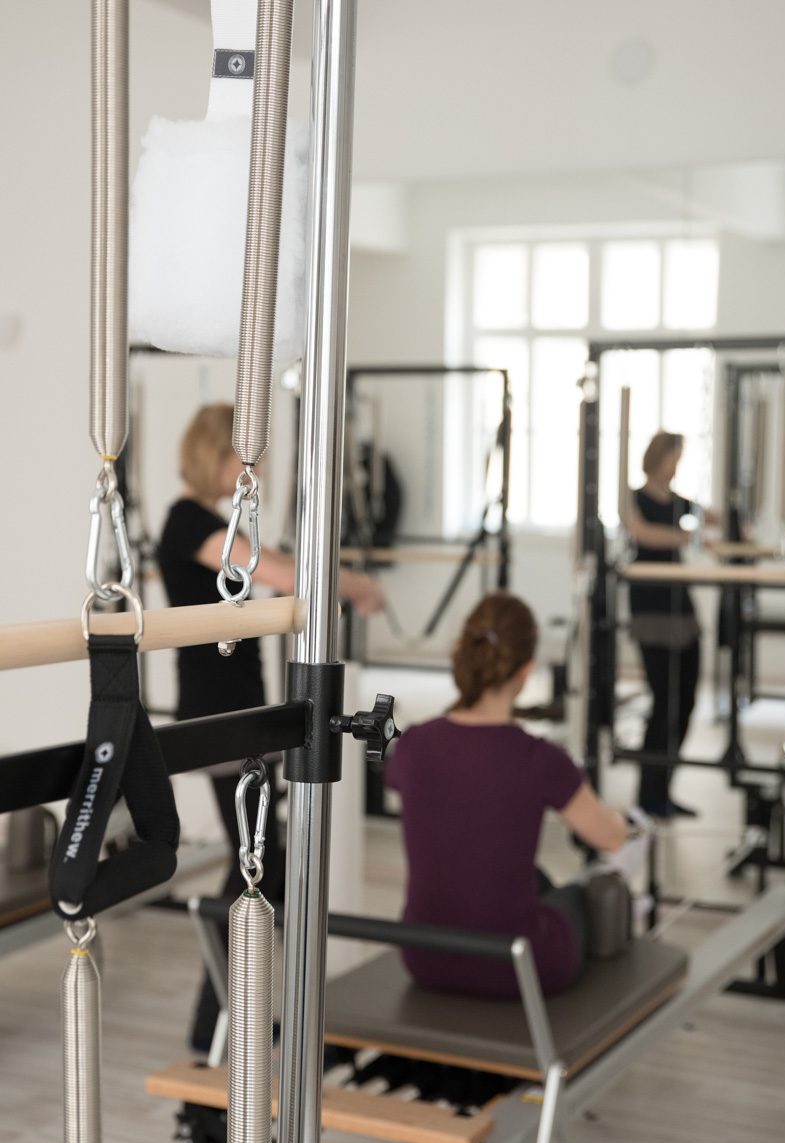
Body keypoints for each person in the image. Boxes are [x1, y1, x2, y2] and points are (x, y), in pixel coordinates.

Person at [158, 402, 385, 1047]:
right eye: (244, 457)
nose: (253, 469)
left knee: (265, 863)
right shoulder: (188, 520)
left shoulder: (214, 522)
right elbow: (276, 570)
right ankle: (213, 1024)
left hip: (245, 711)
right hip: (219, 715)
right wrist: (353, 584)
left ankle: (238, 1014)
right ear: (215, 456)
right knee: (256, 864)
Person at [384, 592, 628, 1001]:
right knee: (583, 896)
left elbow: (443, 799)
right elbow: (611, 838)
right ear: (525, 671)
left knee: (536, 880)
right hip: (517, 966)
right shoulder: (541, 758)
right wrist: (622, 818)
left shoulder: (413, 745)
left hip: (423, 956)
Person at [626, 431, 713, 821]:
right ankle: (648, 793)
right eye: (672, 457)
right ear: (658, 457)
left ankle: (664, 789)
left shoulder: (680, 502)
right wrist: (686, 535)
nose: (675, 465)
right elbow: (642, 532)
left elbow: (713, 518)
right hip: (650, 607)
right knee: (663, 701)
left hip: (680, 607)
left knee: (685, 700)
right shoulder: (634, 498)